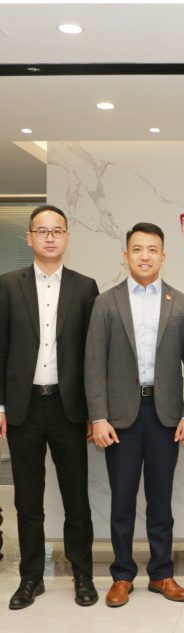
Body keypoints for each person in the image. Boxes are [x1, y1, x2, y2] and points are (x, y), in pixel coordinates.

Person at [85, 222, 184, 607]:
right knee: (122, 500)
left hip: (165, 416)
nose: (145, 256)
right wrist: (98, 417)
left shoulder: (180, 303)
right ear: (126, 255)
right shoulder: (107, 302)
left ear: (164, 256)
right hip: (120, 417)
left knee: (160, 499)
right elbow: (93, 364)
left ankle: (162, 573)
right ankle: (122, 576)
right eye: (137, 249)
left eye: (152, 250)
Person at [0, 204, 98, 609]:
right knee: (27, 499)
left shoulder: (85, 287)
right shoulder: (8, 285)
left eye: (57, 230)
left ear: (67, 237)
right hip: (23, 407)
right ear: (29, 238)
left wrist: (94, 411)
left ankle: (83, 575)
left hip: (68, 407)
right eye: (42, 231)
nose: (50, 237)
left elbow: (92, 355)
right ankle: (30, 579)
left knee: (76, 498)